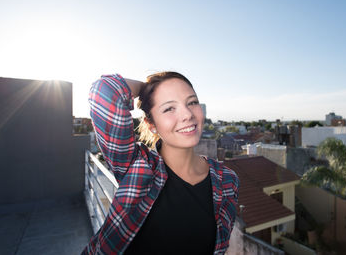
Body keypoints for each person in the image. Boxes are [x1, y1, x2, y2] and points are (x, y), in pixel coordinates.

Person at [82, 72, 239, 254]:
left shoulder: (227, 180)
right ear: (151, 124)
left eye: (192, 102)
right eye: (169, 108)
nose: (187, 114)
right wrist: (147, 89)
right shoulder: (138, 166)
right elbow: (105, 91)